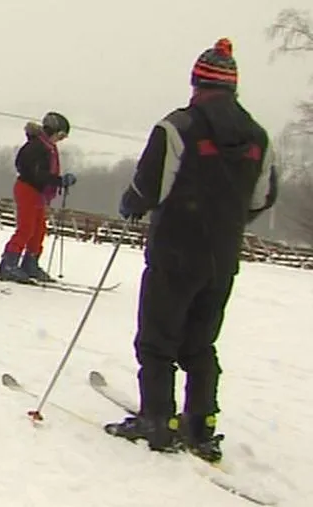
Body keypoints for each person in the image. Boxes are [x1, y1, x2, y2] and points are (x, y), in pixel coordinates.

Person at [104, 38, 278, 464]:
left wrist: (131, 204)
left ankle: (158, 420)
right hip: (222, 255)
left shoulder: (177, 127)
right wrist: (226, 220)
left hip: (175, 250)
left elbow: (148, 187)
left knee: (158, 338)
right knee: (201, 342)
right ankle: (201, 424)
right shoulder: (258, 136)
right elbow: (262, 198)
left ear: (198, 83)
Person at [0, 113, 77, 283]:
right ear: (52, 131)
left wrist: (58, 181)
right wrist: (58, 181)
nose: (61, 140)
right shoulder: (35, 147)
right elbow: (34, 172)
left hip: (39, 192)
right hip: (27, 189)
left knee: (39, 229)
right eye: (60, 135)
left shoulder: (48, 147)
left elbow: (45, 172)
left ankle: (30, 263)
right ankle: (8, 264)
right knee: (26, 228)